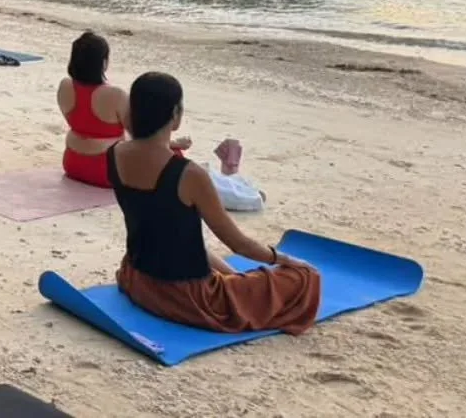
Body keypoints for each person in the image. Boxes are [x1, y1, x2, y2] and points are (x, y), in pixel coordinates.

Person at [109, 72, 320, 333]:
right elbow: (238, 243)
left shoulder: (115, 153)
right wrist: (284, 259)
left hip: (137, 279)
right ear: (175, 116)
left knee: (239, 278)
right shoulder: (189, 174)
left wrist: (233, 275)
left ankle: (236, 281)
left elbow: (166, 234)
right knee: (307, 277)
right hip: (190, 298)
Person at [57, 32, 190, 187]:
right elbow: (139, 136)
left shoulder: (64, 86)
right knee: (175, 155)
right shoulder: (115, 95)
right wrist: (173, 143)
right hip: (105, 171)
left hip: (72, 163)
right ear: (104, 62)